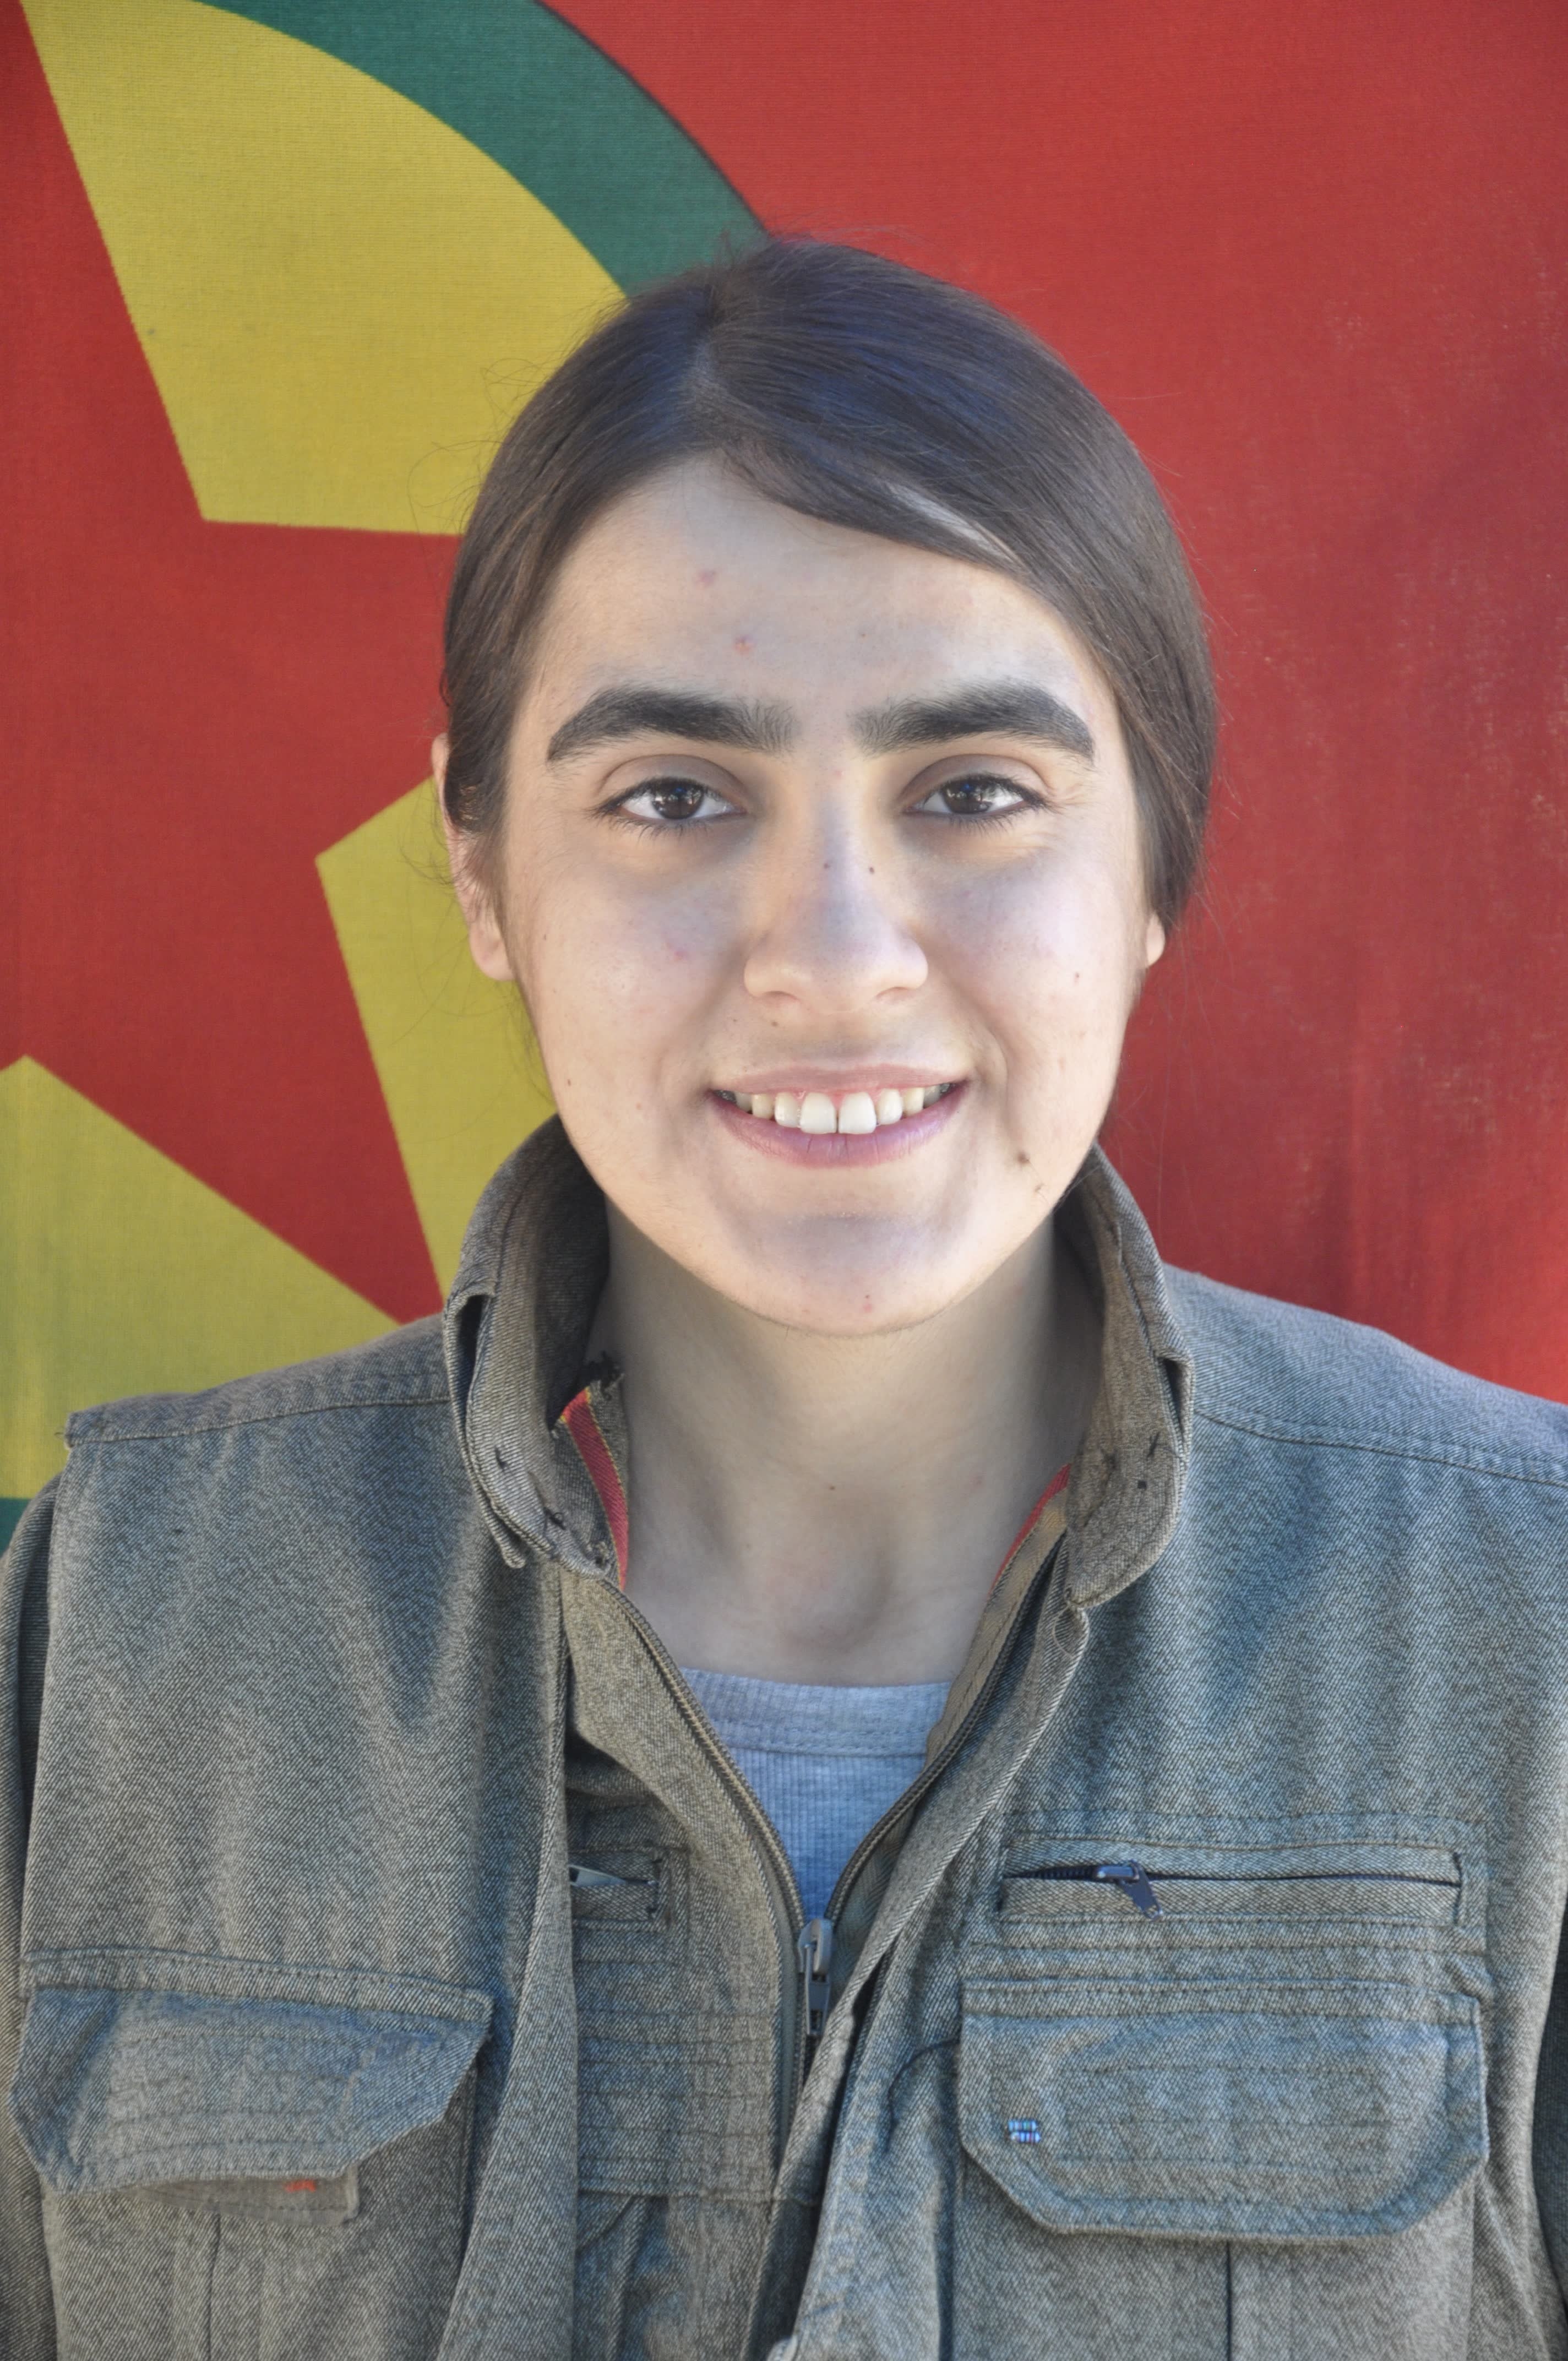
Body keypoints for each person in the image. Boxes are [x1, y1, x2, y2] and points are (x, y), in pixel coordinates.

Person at [3, 237, 1567, 2361]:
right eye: (674, 798)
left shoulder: (1529, 1636)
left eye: (974, 794)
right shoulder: (107, 1630)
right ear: (481, 869)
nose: (833, 956)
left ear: (1155, 868)